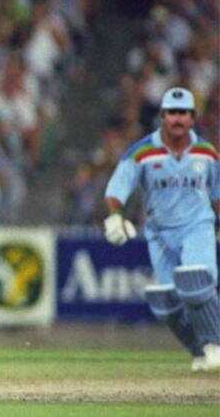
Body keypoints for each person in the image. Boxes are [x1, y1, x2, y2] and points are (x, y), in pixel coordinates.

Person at [104, 87, 220, 371]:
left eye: (184, 113)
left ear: (192, 118)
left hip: (197, 226)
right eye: (172, 113)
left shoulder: (206, 152)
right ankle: (199, 352)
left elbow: (217, 194)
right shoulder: (143, 151)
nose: (178, 119)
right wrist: (116, 217)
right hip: (159, 234)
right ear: (162, 117)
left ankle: (216, 343)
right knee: (166, 304)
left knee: (196, 284)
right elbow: (117, 187)